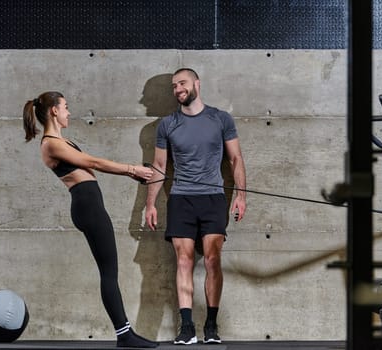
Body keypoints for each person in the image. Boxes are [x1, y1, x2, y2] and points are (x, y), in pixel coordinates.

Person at [22, 91, 159, 348]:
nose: (68, 112)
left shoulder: (63, 141)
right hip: (88, 208)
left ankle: (125, 333)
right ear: (53, 110)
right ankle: (124, 334)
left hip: (91, 206)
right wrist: (132, 169)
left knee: (110, 272)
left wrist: (132, 174)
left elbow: (89, 164)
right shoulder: (50, 143)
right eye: (65, 107)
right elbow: (93, 162)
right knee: (109, 273)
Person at [145, 68, 247, 345]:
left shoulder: (221, 119)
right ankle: (187, 327)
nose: (178, 89)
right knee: (184, 261)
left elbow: (235, 159)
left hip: (214, 198)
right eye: (174, 86)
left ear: (196, 84)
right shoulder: (167, 124)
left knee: (213, 259)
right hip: (181, 199)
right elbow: (159, 166)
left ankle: (211, 327)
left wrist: (240, 196)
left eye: (182, 83)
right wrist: (150, 203)